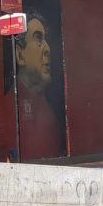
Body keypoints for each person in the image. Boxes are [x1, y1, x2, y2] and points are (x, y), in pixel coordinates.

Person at [15, 13, 62, 160]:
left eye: (46, 39)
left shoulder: (49, 109)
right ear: (20, 55)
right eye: (38, 38)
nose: (48, 49)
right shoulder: (9, 108)